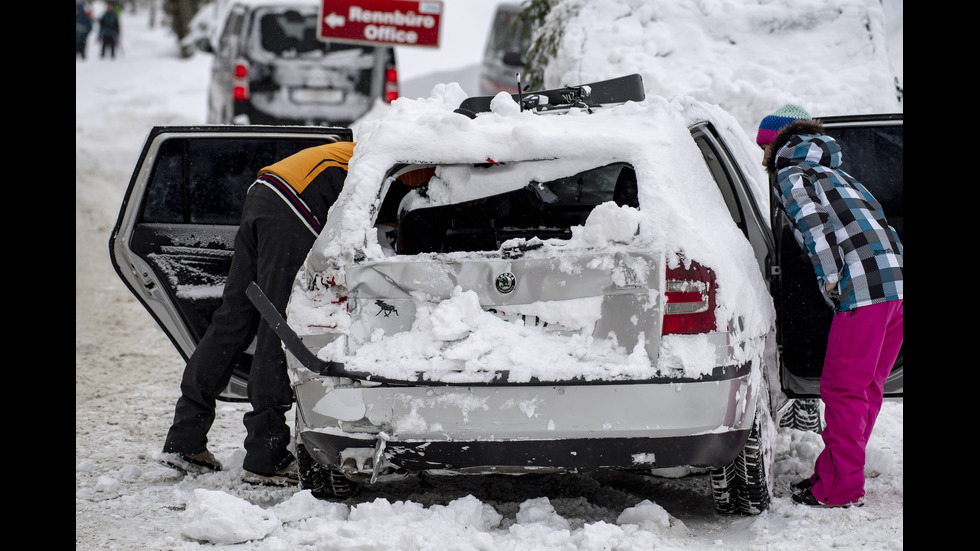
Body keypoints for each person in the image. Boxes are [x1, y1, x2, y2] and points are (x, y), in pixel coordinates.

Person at [160, 141, 356, 486]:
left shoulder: (380, 144)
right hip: (295, 204)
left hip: (265, 190)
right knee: (278, 325)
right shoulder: (418, 161)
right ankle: (266, 457)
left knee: (234, 317)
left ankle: (185, 439)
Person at [758, 105, 903, 508]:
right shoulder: (837, 174)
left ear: (778, 145)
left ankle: (840, 489)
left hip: (864, 290)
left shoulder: (791, 174)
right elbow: (884, 225)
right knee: (865, 388)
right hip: (896, 288)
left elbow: (815, 232)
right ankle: (835, 474)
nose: (763, 158)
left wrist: (832, 282)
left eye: (764, 148)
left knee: (841, 389)